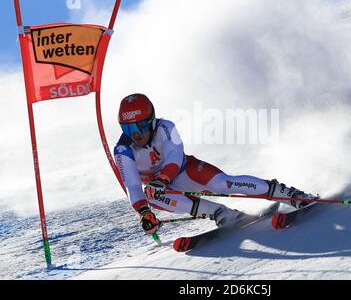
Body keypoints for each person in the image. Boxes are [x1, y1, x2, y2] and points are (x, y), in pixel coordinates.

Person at [114, 93, 316, 235]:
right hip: (163, 189)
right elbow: (132, 186)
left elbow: (175, 156)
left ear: (150, 120)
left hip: (185, 171)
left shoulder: (166, 127)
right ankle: (221, 213)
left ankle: (290, 195)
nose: (136, 134)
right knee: (151, 194)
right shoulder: (123, 149)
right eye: (128, 129)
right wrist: (144, 213)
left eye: (139, 126)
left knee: (223, 184)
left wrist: (163, 178)